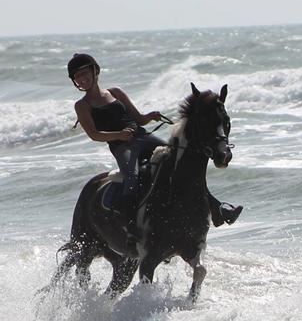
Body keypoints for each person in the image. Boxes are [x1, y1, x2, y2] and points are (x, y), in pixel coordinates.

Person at [68, 53, 242, 228]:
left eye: (84, 73)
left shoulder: (115, 92)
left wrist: (150, 117)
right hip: (122, 146)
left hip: (142, 137)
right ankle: (130, 225)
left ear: (94, 71)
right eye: (77, 77)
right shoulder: (82, 105)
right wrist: (119, 135)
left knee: (178, 160)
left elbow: (138, 119)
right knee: (132, 175)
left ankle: (217, 209)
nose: (82, 79)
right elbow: (94, 134)